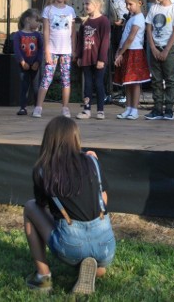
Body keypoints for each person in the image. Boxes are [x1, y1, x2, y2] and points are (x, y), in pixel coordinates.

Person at [23, 116, 115, 296]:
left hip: (71, 243)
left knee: (30, 207)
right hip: (106, 244)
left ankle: (43, 277)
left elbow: (42, 205)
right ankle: (96, 266)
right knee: (99, 261)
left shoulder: (42, 170)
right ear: (75, 138)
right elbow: (103, 199)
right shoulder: (92, 162)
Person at [35, 0, 78, 119]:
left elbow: (73, 32)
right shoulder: (48, 10)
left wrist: (74, 49)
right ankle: (38, 106)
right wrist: (47, 51)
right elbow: (46, 32)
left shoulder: (70, 10)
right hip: (52, 50)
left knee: (66, 79)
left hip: (66, 50)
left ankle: (65, 107)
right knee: (47, 78)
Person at [144, 0, 174, 121]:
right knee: (156, 79)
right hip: (155, 47)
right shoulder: (154, 8)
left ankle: (169, 109)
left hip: (170, 49)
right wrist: (153, 47)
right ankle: (157, 109)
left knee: (170, 79)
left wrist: (166, 50)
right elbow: (149, 28)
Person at [114, 0, 149, 120]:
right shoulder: (131, 17)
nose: (128, 7)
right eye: (126, 4)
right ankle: (128, 108)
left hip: (135, 52)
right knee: (127, 82)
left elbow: (130, 38)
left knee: (135, 82)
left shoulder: (139, 18)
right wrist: (119, 51)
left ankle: (134, 109)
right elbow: (124, 37)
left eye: (130, 4)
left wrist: (120, 53)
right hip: (127, 51)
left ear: (139, 3)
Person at [76, 0, 110, 120]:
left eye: (87, 4)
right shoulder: (85, 22)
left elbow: (105, 41)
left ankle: (100, 110)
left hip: (98, 59)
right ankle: (87, 109)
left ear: (96, 5)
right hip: (86, 58)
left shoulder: (103, 21)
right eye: (84, 4)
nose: (85, 6)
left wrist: (101, 59)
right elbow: (80, 40)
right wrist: (79, 56)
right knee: (88, 84)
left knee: (99, 83)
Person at [13, 9, 43, 116]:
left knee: (36, 87)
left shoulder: (38, 35)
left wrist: (38, 62)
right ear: (28, 20)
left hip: (35, 65)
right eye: (37, 20)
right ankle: (23, 107)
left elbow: (40, 49)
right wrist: (22, 61)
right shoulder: (18, 35)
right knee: (24, 86)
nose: (39, 23)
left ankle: (37, 107)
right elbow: (17, 49)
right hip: (23, 65)